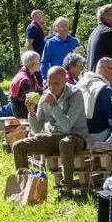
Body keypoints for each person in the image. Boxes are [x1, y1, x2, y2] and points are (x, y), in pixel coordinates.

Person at [11, 66, 88, 197]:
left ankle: (66, 189)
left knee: (65, 142)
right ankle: (23, 186)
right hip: (52, 135)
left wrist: (54, 105)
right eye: (49, 82)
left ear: (65, 81)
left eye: (56, 83)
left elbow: (66, 126)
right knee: (18, 146)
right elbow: (37, 129)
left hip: (75, 136)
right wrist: (31, 112)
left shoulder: (76, 94)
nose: (52, 87)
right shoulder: (45, 95)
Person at [0, 51, 44, 150]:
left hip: (19, 105)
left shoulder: (27, 73)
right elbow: (33, 99)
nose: (40, 63)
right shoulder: (25, 80)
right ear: (33, 64)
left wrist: (47, 90)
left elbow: (38, 89)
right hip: (21, 109)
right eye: (39, 61)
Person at [78, 57, 112, 145]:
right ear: (105, 70)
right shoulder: (104, 89)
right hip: (96, 136)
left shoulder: (80, 84)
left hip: (78, 136)